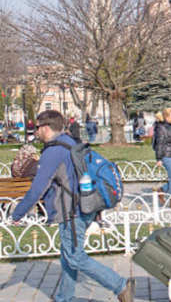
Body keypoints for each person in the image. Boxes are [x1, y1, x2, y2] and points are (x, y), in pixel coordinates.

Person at [11, 110, 134, 302]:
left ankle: (119, 284)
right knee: (68, 255)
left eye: (37, 127)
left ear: (46, 128)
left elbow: (37, 189)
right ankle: (64, 297)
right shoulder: (70, 142)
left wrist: (17, 214)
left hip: (71, 211)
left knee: (75, 257)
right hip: (85, 205)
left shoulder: (53, 152)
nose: (35, 132)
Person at [153, 108, 171, 209]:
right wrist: (159, 158)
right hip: (166, 156)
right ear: (166, 117)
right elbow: (159, 144)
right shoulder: (161, 128)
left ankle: (161, 190)